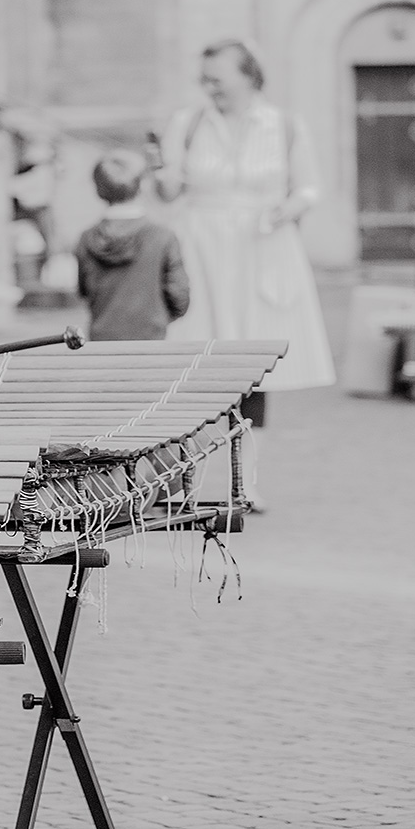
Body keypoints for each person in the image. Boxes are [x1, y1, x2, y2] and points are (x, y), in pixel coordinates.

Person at [151, 39, 337, 508]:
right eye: (205, 78)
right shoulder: (187, 123)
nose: (208, 86)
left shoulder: (285, 126)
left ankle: (245, 482)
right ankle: (183, 480)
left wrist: (283, 212)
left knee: (254, 372)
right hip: (203, 251)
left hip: (263, 249)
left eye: (217, 77)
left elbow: (309, 188)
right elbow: (169, 189)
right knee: (196, 365)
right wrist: (163, 178)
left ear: (248, 75)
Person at [75, 149, 190, 341]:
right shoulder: (163, 237)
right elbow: (179, 297)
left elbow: (85, 291)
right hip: (151, 337)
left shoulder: (86, 239)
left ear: (98, 190)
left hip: (102, 339)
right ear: (143, 185)